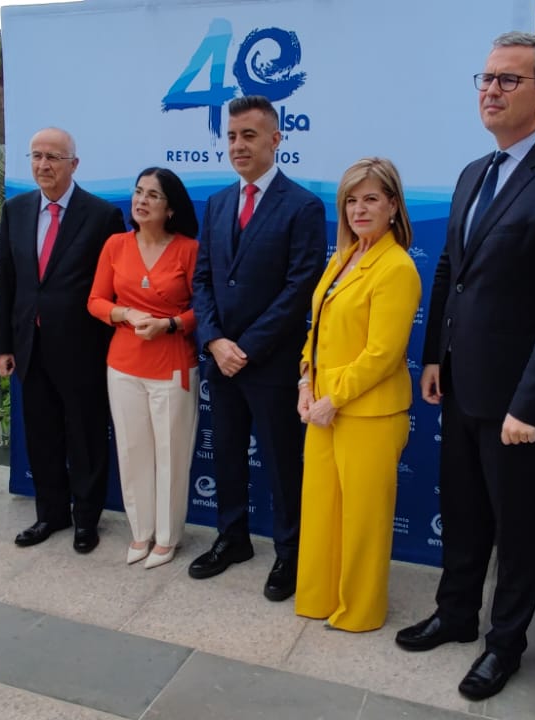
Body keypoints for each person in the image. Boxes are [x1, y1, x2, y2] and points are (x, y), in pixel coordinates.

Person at [397, 32, 535, 701]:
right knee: (462, 513)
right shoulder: (474, 173)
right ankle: (457, 615)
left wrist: (530, 403)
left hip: (520, 401)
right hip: (461, 383)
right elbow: (452, 271)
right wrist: (434, 357)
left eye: (508, 81)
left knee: (518, 530)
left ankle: (505, 644)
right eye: (485, 78)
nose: (491, 89)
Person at [189, 96, 325, 601]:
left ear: (275, 139)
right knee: (225, 454)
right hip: (221, 359)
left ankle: (290, 553)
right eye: (230, 136)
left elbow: (299, 288)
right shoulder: (219, 202)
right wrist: (214, 340)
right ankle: (233, 539)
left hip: (270, 364)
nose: (238, 145)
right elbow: (202, 280)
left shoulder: (304, 206)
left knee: (282, 462)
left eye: (249, 135)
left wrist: (243, 347)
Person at [295, 158, 422, 632]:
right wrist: (307, 382)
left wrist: (334, 398)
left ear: (393, 205)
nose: (359, 208)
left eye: (371, 198)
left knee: (363, 523)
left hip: (367, 414)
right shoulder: (342, 257)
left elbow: (383, 354)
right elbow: (318, 329)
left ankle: (360, 612)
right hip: (323, 409)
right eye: (351, 199)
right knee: (323, 512)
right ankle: (319, 597)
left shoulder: (397, 267)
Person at [0, 127, 127, 554]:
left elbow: (111, 289)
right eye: (36, 156)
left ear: (74, 164)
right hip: (29, 347)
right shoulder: (16, 210)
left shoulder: (102, 215)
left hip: (83, 349)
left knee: (86, 438)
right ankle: (50, 515)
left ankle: (86, 520)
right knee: (42, 436)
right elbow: (7, 280)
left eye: (53, 157)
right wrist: (3, 345)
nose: (44, 165)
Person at [87, 167, 202, 569]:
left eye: (153, 195)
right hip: (123, 365)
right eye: (138, 192)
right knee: (133, 451)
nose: (142, 201)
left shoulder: (189, 249)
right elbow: (96, 300)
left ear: (170, 208)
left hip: (172, 365)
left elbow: (203, 309)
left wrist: (170, 324)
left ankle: (167, 538)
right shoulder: (116, 245)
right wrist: (125, 313)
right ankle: (141, 531)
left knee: (171, 455)